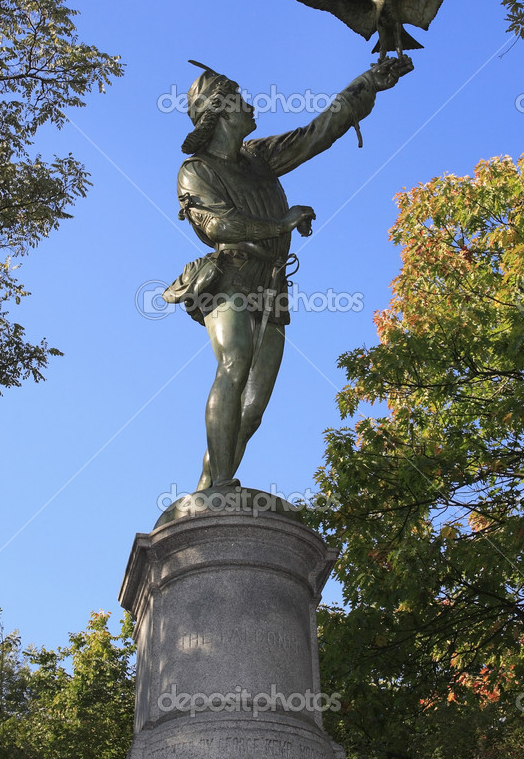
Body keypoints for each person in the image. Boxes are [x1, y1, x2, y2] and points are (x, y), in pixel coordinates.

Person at [165, 57, 412, 490]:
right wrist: (281, 223)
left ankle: (209, 490)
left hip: (273, 287)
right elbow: (218, 226)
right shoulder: (196, 171)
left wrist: (367, 83)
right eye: (240, 98)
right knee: (234, 360)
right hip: (229, 279)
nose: (250, 105)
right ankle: (221, 488)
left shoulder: (258, 158)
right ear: (220, 111)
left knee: (254, 409)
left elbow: (315, 135)